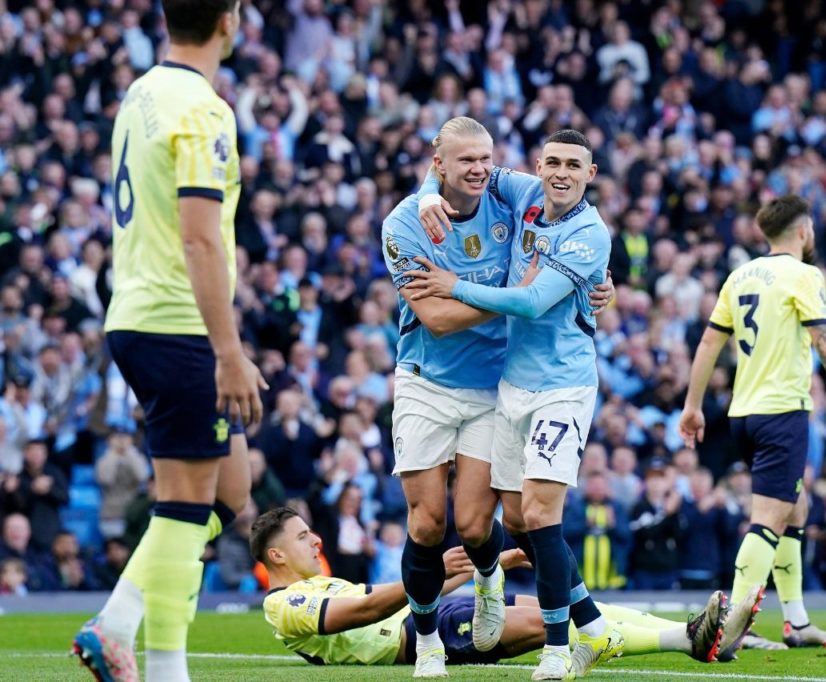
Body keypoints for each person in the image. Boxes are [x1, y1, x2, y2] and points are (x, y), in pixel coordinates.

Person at [409, 129, 756, 680]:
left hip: (562, 388)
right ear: (538, 167)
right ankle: (592, 628)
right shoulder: (523, 193)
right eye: (553, 163)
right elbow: (459, 168)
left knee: (543, 515)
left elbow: (528, 301)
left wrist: (453, 285)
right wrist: (429, 194)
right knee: (518, 521)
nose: (562, 173)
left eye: (574, 164)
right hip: (511, 388)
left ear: (591, 174)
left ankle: (556, 650)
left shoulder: (588, 233)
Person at [72, 2, 267, 681]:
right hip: (177, 321)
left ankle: (117, 621)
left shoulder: (143, 91)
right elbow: (197, 235)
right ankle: (163, 670)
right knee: (186, 502)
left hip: (136, 309)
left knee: (229, 491)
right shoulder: (204, 108)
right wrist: (228, 351)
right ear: (229, 20)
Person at [382, 117, 612, 678]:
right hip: (427, 380)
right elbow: (435, 320)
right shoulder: (407, 223)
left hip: (507, 383)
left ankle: (525, 614)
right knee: (428, 524)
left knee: (493, 522)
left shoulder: (530, 202)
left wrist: (553, 289)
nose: (481, 170)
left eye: (487, 159)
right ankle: (432, 643)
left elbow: (536, 298)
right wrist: (425, 193)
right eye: (466, 162)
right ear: (439, 165)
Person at [679, 195, 826, 659]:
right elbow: (823, 338)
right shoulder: (804, 275)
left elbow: (711, 340)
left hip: (742, 415)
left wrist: (693, 405)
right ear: (805, 230)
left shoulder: (740, 275)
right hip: (783, 413)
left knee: (797, 506)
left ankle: (797, 620)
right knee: (768, 519)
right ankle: (730, 629)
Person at [253, 507, 734, 670]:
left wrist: (493, 561)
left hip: (434, 614)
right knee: (552, 626)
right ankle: (685, 641)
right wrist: (427, 578)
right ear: (276, 555)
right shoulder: (283, 605)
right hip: (420, 637)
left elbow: (396, 592)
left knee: (565, 599)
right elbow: (363, 612)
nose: (315, 539)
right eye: (301, 537)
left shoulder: (322, 581)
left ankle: (692, 630)